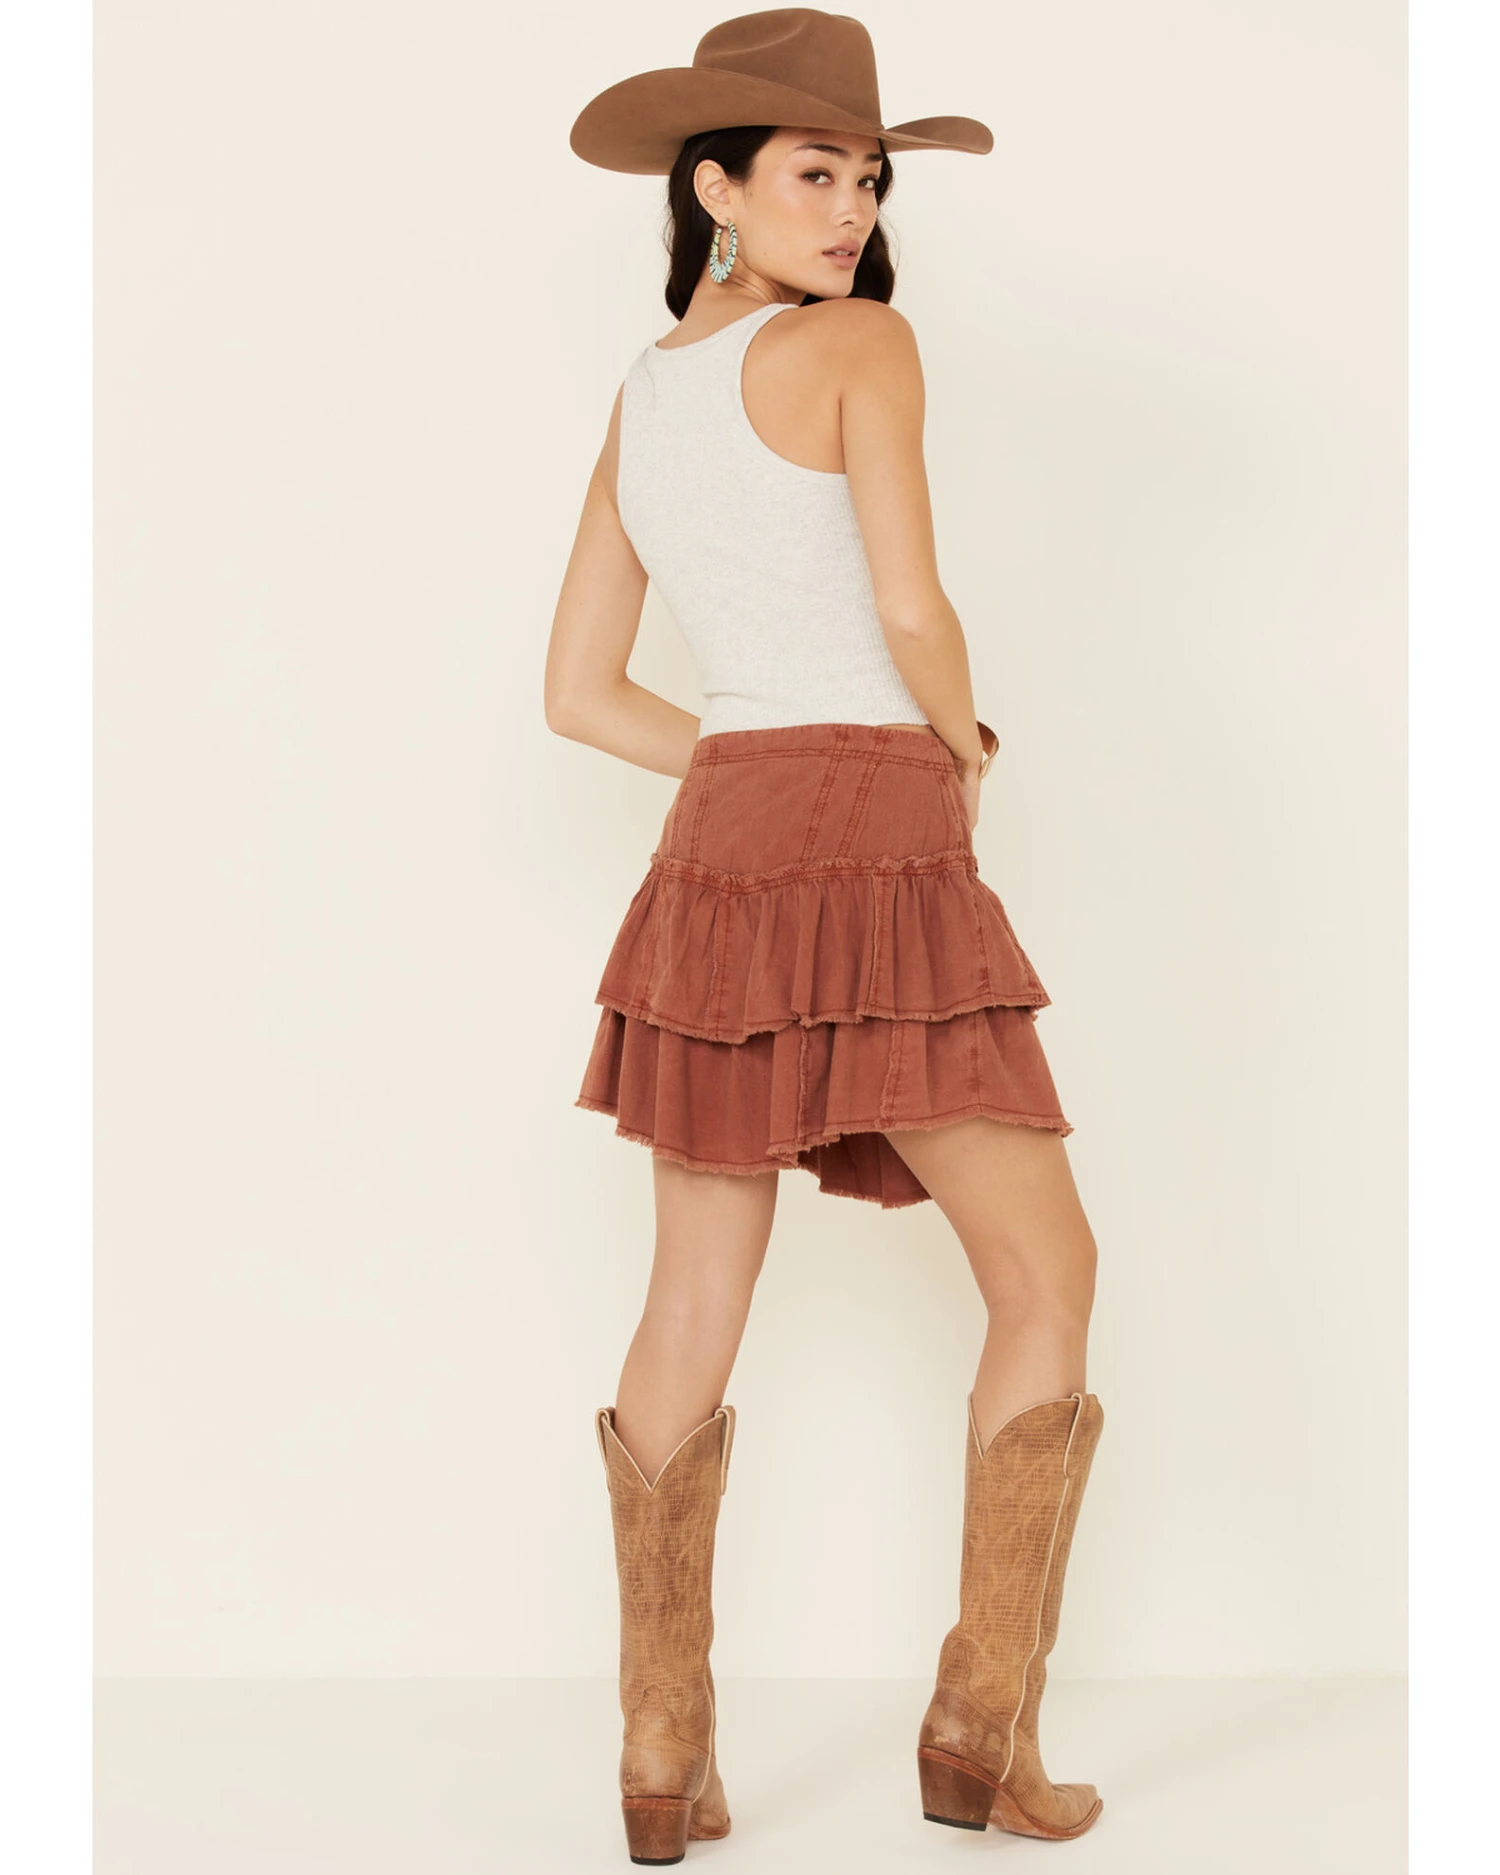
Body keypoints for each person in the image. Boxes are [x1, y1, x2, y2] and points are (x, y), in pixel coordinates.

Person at [548, 10, 1106, 1862]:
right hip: (874, 821)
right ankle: (981, 1725)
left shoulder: (642, 399)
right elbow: (911, 601)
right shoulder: (864, 346)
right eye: (814, 172)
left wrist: (745, 751)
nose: (854, 208)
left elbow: (577, 691)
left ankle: (660, 1746)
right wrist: (963, 746)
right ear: (711, 186)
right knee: (1044, 1270)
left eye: (868, 178)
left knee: (690, 1297)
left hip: (716, 847)